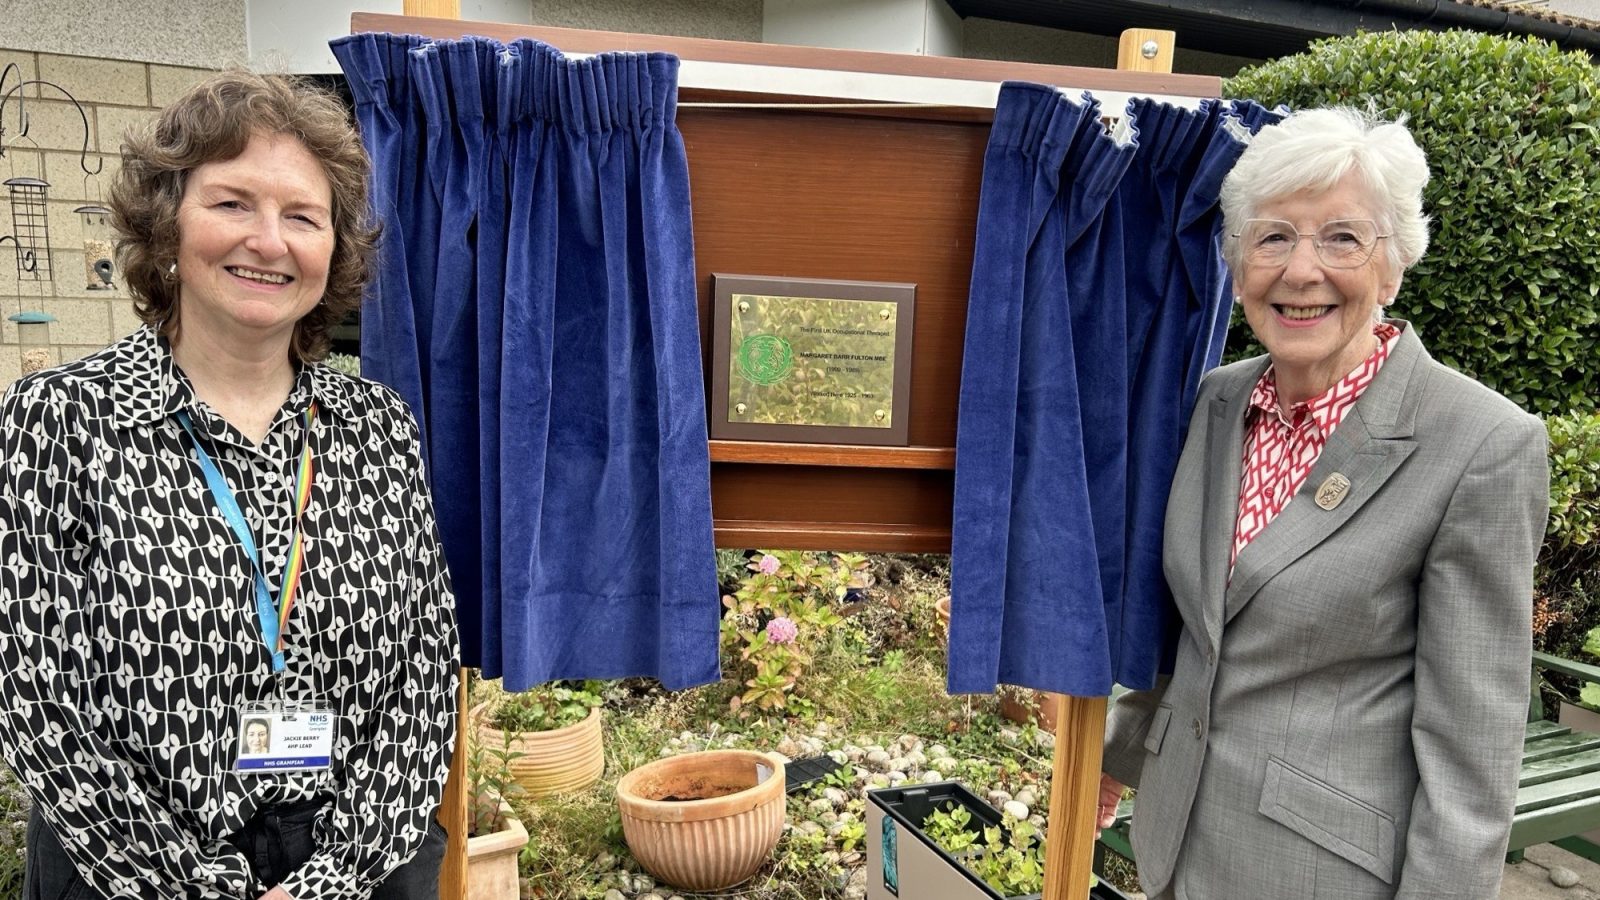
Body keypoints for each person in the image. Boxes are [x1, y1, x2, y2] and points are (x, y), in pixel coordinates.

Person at [0, 71, 459, 900]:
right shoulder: (59, 420)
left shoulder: (378, 427)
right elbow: (37, 699)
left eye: (302, 217)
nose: (269, 240)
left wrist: (335, 877)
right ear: (165, 224)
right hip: (127, 869)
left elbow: (422, 675)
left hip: (358, 864)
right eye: (232, 203)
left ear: (335, 250)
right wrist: (193, 888)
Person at [1098, 107, 1548, 899]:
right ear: (1238, 270)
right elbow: (1192, 633)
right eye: (1272, 238)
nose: (1300, 271)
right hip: (1175, 841)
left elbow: (1471, 752)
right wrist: (1115, 760)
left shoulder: (1481, 444)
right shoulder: (1214, 402)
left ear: (1394, 266)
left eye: (1342, 238)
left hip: (1321, 874)